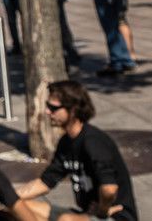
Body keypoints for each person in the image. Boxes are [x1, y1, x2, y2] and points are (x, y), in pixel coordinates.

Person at [17, 80, 138, 221]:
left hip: (115, 216)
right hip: (86, 214)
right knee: (19, 207)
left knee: (66, 220)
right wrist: (7, 198)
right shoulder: (66, 142)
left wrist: (102, 211)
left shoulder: (93, 142)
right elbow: (45, 182)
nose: (47, 111)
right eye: (47, 106)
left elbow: (109, 188)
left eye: (53, 108)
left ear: (73, 110)